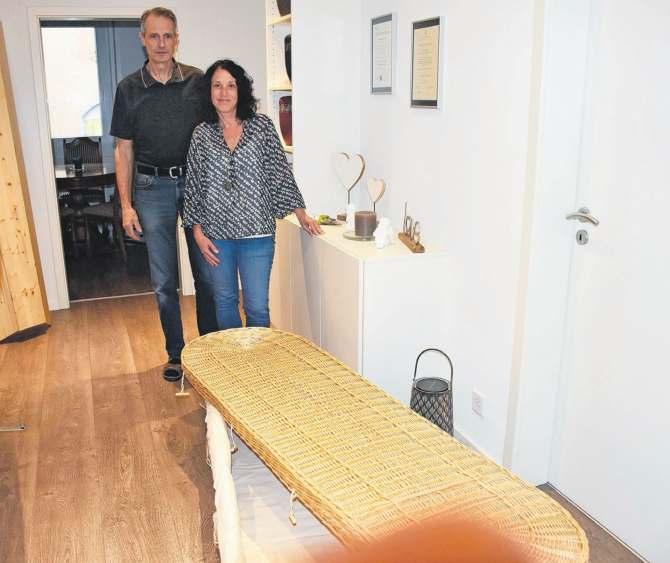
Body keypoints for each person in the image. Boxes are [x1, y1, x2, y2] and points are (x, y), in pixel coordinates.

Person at [110, 7, 217, 381]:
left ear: (176, 39)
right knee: (164, 282)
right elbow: (123, 150)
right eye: (153, 36)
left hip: (195, 186)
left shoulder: (197, 81)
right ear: (143, 39)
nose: (161, 43)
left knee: (207, 274)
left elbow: (214, 137)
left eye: (167, 36)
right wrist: (126, 206)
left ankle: (210, 351)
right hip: (151, 188)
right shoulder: (128, 89)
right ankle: (176, 353)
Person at [183, 59, 322, 330]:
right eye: (217, 86)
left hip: (257, 235)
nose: (224, 93)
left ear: (241, 90)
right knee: (224, 302)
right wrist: (197, 234)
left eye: (231, 86)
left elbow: (279, 172)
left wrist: (301, 214)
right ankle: (234, 357)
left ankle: (259, 357)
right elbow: (194, 186)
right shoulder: (201, 134)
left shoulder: (261, 127)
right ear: (209, 91)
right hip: (216, 236)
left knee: (257, 307)